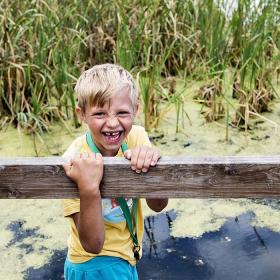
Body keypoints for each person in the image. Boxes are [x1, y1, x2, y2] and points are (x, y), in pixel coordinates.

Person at [62, 63, 168, 280]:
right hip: (95, 266)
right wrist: (89, 188)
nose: (112, 123)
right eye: (100, 113)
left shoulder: (137, 137)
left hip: (126, 256)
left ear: (136, 110)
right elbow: (93, 244)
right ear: (81, 114)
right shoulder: (73, 161)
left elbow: (158, 205)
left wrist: (152, 164)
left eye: (122, 112)